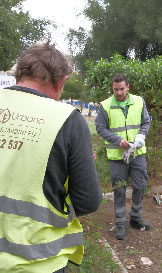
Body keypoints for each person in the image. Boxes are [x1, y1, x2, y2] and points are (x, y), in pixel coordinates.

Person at [0, 42, 102, 272]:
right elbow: (88, 200)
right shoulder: (67, 120)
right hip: (38, 260)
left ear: (19, 73)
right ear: (61, 81)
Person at [96, 73, 151, 240]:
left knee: (140, 186)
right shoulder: (105, 106)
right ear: (112, 89)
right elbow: (100, 128)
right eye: (115, 90)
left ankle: (135, 218)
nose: (118, 93)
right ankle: (120, 224)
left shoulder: (139, 101)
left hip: (137, 153)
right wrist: (117, 140)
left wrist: (141, 136)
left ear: (128, 87)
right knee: (119, 189)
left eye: (121, 89)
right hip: (117, 156)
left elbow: (146, 122)